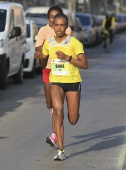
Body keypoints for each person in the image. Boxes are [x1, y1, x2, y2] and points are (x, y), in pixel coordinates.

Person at [37, 13, 88, 161]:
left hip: (73, 82)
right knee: (58, 111)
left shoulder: (74, 43)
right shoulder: (49, 42)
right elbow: (42, 64)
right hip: (56, 81)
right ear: (52, 26)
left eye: (62, 25)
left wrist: (68, 58)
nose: (59, 28)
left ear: (66, 27)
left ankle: (73, 111)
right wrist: (41, 57)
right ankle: (61, 150)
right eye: (56, 25)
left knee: (72, 119)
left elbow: (84, 64)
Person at [34, 5, 72, 147]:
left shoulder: (67, 30)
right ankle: (56, 124)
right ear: (48, 18)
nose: (53, 19)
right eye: (51, 17)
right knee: (50, 104)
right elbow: (38, 47)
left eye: (56, 16)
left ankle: (55, 135)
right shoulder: (43, 30)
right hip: (48, 69)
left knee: (58, 106)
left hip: (61, 70)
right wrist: (38, 54)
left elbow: (71, 48)